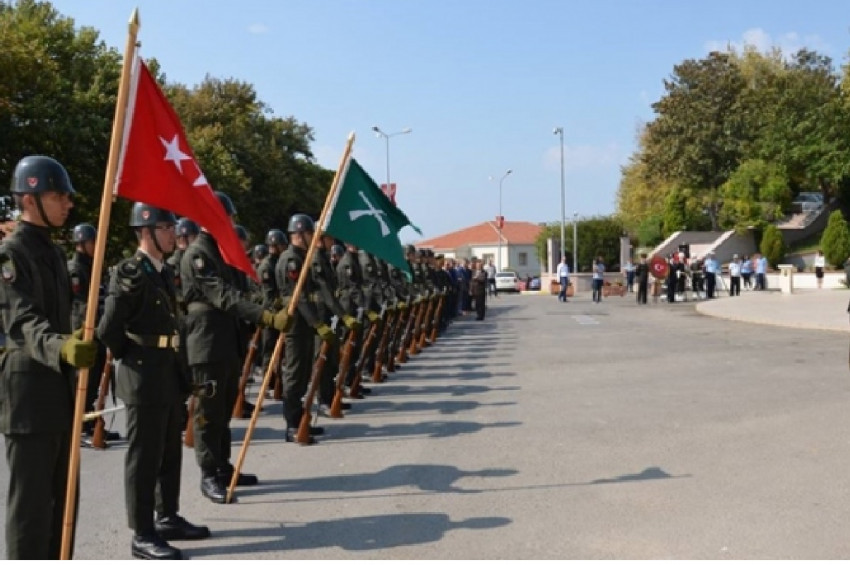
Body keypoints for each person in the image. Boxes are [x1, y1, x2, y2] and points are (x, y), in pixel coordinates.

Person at [97, 203, 209, 559]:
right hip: (143, 374)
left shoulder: (160, 271)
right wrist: (134, 358)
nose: (173, 233)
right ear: (146, 231)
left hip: (165, 371)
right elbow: (108, 331)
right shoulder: (132, 272)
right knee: (143, 457)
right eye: (166, 227)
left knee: (168, 451)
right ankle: (142, 532)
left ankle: (167, 516)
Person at [0, 155, 98, 559]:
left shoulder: (53, 252)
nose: (68, 203)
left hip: (58, 388)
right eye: (59, 195)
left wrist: (78, 336)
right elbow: (23, 322)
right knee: (32, 509)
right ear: (29, 199)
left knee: (64, 502)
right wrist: (63, 347)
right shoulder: (11, 253)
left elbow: (59, 319)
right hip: (28, 394)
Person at [180, 191, 290, 504]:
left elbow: (244, 290)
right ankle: (208, 473)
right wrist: (267, 317)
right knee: (207, 413)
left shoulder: (222, 252)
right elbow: (223, 296)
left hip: (226, 342)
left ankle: (224, 466)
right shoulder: (198, 255)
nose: (231, 224)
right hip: (205, 345)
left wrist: (270, 306)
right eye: (227, 218)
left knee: (224, 409)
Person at [276, 214, 334, 444]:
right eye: (310, 234)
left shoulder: (303, 257)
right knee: (294, 375)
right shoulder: (291, 259)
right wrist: (316, 323)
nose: (313, 238)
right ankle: (292, 424)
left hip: (304, 325)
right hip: (296, 325)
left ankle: (301, 420)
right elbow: (298, 298)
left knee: (302, 376)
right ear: (300, 235)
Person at [68, 222, 119, 445]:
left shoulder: (94, 265)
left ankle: (90, 422)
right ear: (83, 243)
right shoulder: (75, 270)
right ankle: (78, 426)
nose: (96, 246)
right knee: (84, 382)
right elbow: (81, 307)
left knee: (96, 380)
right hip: (85, 332)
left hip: (97, 332)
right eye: (93, 242)